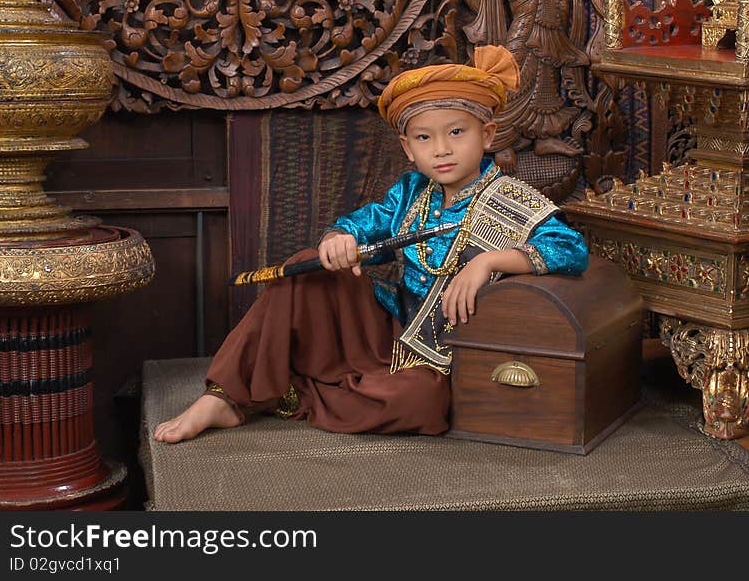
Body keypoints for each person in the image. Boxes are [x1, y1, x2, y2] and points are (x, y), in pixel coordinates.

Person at [153, 45, 589, 444]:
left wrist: (489, 261)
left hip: (443, 355)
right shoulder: (410, 193)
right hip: (390, 326)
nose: (441, 149)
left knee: (421, 403)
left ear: (488, 135)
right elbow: (363, 228)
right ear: (407, 147)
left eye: (457, 132)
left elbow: (571, 248)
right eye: (424, 138)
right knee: (308, 265)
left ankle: (290, 393)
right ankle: (225, 396)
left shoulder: (511, 199)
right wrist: (338, 241)